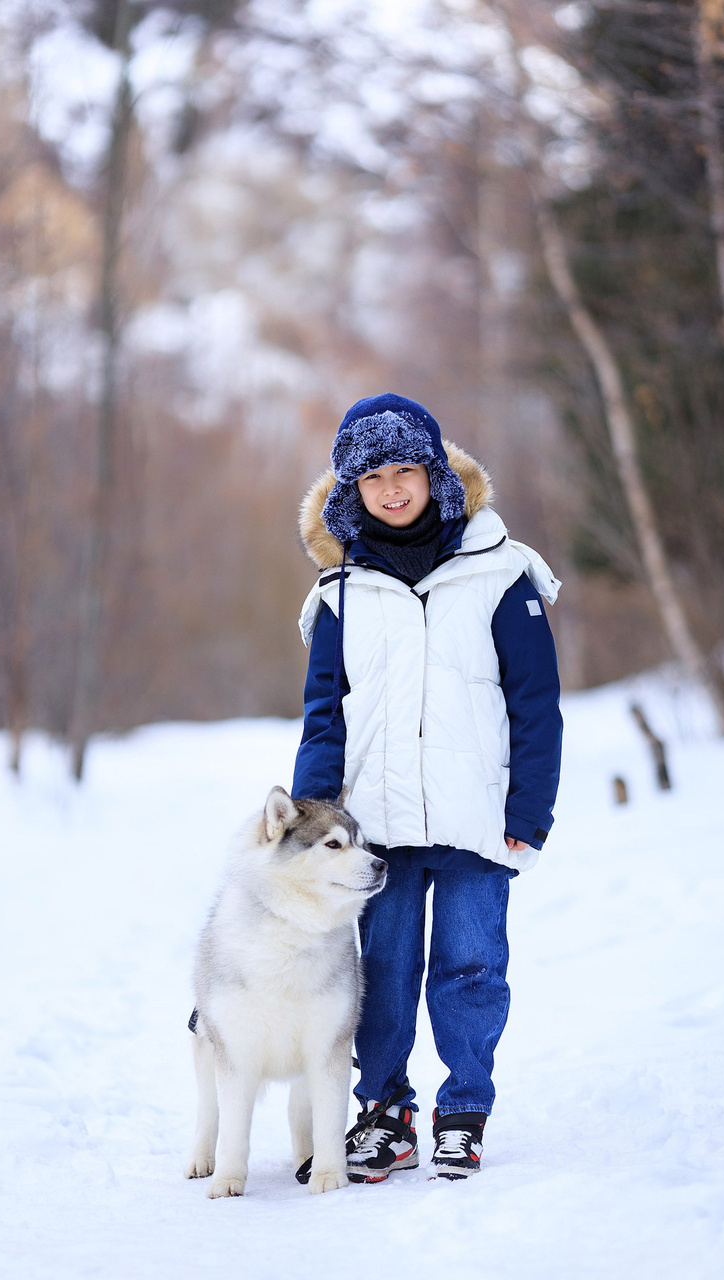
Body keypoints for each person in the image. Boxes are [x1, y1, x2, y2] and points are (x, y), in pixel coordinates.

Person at [288, 393, 562, 1184]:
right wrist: (312, 827)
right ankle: (385, 1112)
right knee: (382, 971)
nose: (393, 487)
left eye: (405, 468)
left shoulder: (503, 571)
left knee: (471, 968)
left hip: (479, 818)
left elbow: (535, 706)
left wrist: (530, 812)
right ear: (351, 491)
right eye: (373, 476)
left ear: (434, 471)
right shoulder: (339, 595)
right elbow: (323, 720)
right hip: (375, 831)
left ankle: (464, 1111)